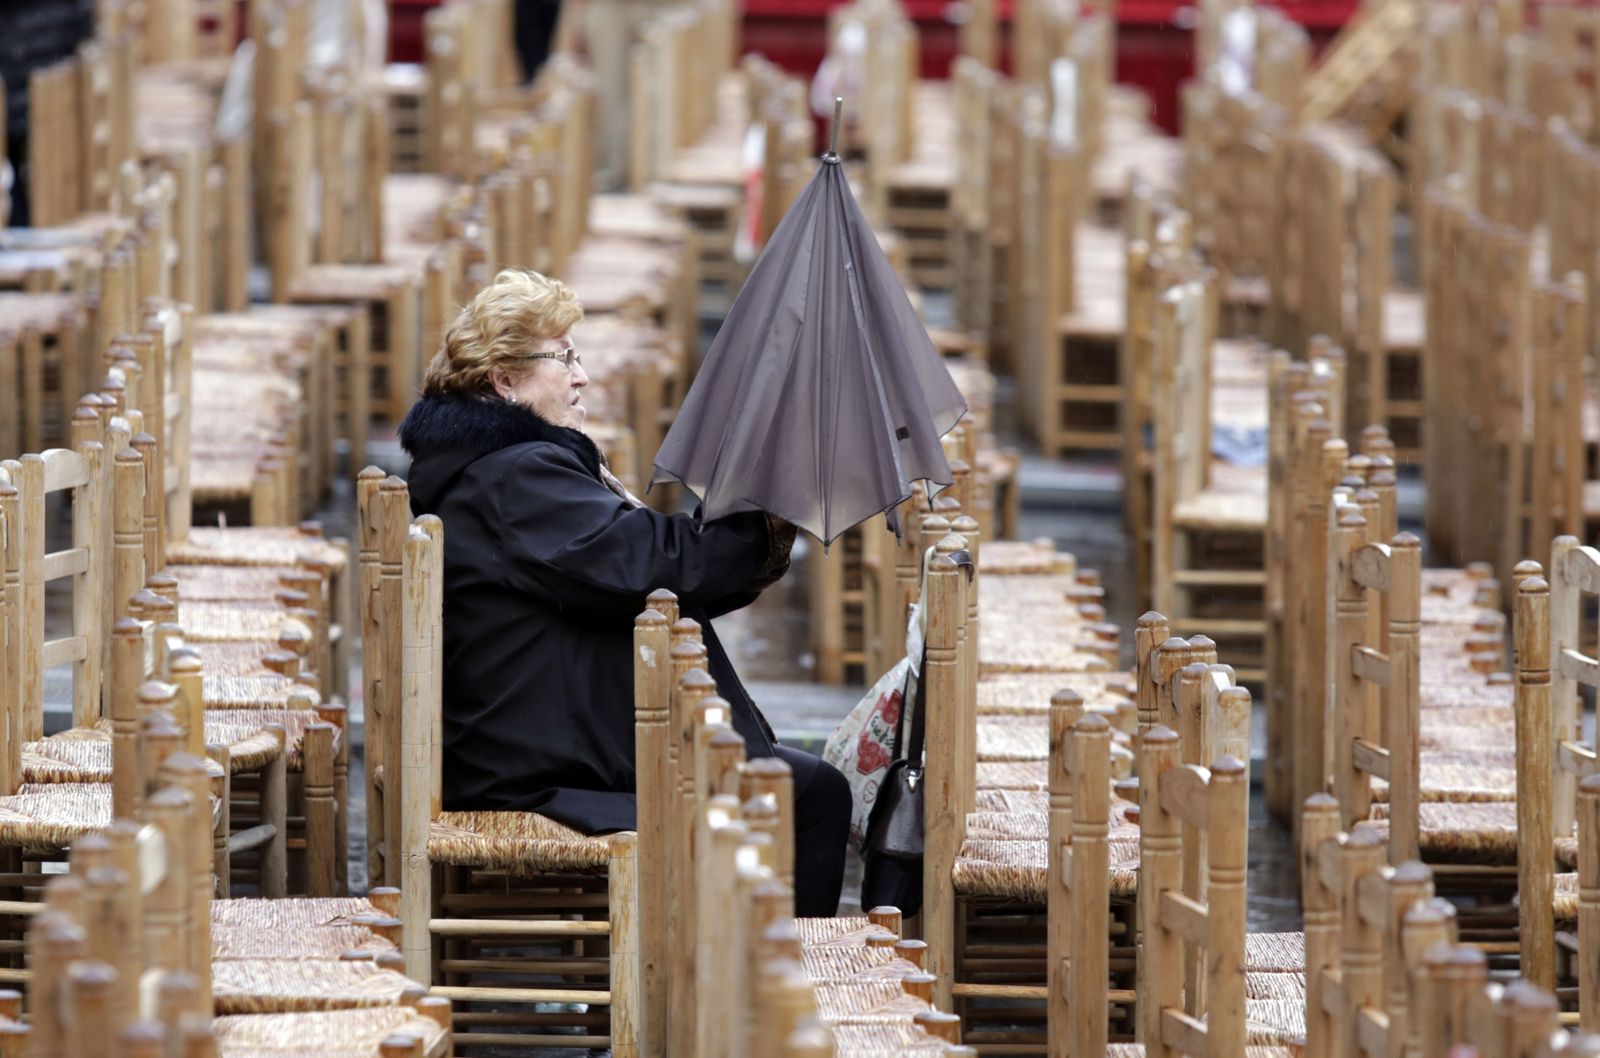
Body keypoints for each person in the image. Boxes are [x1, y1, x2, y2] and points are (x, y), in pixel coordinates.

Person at [400, 269, 851, 916]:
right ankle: (766, 998)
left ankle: (740, 986)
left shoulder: (496, 468)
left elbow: (642, 566)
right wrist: (767, 488)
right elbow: (661, 569)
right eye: (563, 358)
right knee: (806, 797)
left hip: (540, 737)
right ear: (504, 380)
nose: (581, 376)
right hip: (537, 768)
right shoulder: (514, 477)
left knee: (803, 783)